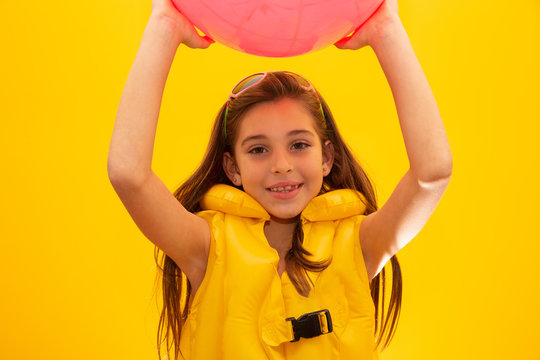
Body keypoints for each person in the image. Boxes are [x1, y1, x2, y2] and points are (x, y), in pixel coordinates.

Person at [107, 0, 453, 359]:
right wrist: (163, 24)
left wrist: (386, 31)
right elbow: (128, 174)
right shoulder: (206, 247)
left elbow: (433, 173)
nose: (282, 165)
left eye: (299, 144)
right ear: (232, 168)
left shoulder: (360, 245)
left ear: (327, 158)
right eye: (258, 150)